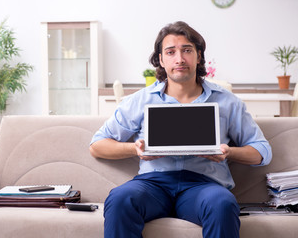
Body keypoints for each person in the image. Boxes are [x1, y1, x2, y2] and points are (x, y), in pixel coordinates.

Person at [89, 21, 272, 238]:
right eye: (171, 52)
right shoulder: (140, 100)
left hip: (203, 186)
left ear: (199, 56)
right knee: (120, 198)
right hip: (152, 186)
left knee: (222, 203)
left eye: (187, 50)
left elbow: (262, 151)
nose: (179, 59)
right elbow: (97, 145)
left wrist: (229, 152)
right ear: (161, 59)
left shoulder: (227, 102)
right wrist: (135, 149)